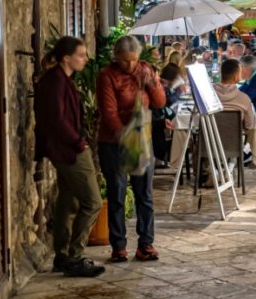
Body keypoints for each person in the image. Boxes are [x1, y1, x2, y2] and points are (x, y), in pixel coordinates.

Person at [34, 37, 105, 277]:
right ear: (67, 58)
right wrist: (78, 142)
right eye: (81, 55)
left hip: (64, 148)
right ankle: (74, 256)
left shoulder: (61, 80)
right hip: (68, 149)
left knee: (67, 198)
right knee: (92, 202)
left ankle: (62, 255)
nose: (85, 59)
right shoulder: (55, 82)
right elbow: (57, 119)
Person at [97, 35, 165, 263]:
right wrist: (125, 136)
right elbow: (109, 113)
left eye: (133, 60)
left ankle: (146, 243)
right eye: (125, 61)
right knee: (117, 193)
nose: (130, 66)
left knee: (144, 194)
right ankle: (118, 246)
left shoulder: (144, 70)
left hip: (142, 140)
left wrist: (152, 83)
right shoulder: (107, 76)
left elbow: (160, 102)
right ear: (116, 57)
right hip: (114, 143)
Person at [214, 58, 256, 135]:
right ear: (236, 77)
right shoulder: (244, 99)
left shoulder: (208, 97)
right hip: (235, 143)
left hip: (209, 143)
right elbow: (249, 125)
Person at [152, 64, 185, 168]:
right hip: (163, 120)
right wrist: (177, 88)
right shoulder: (163, 86)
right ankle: (178, 155)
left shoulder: (163, 86)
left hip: (164, 118)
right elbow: (170, 101)